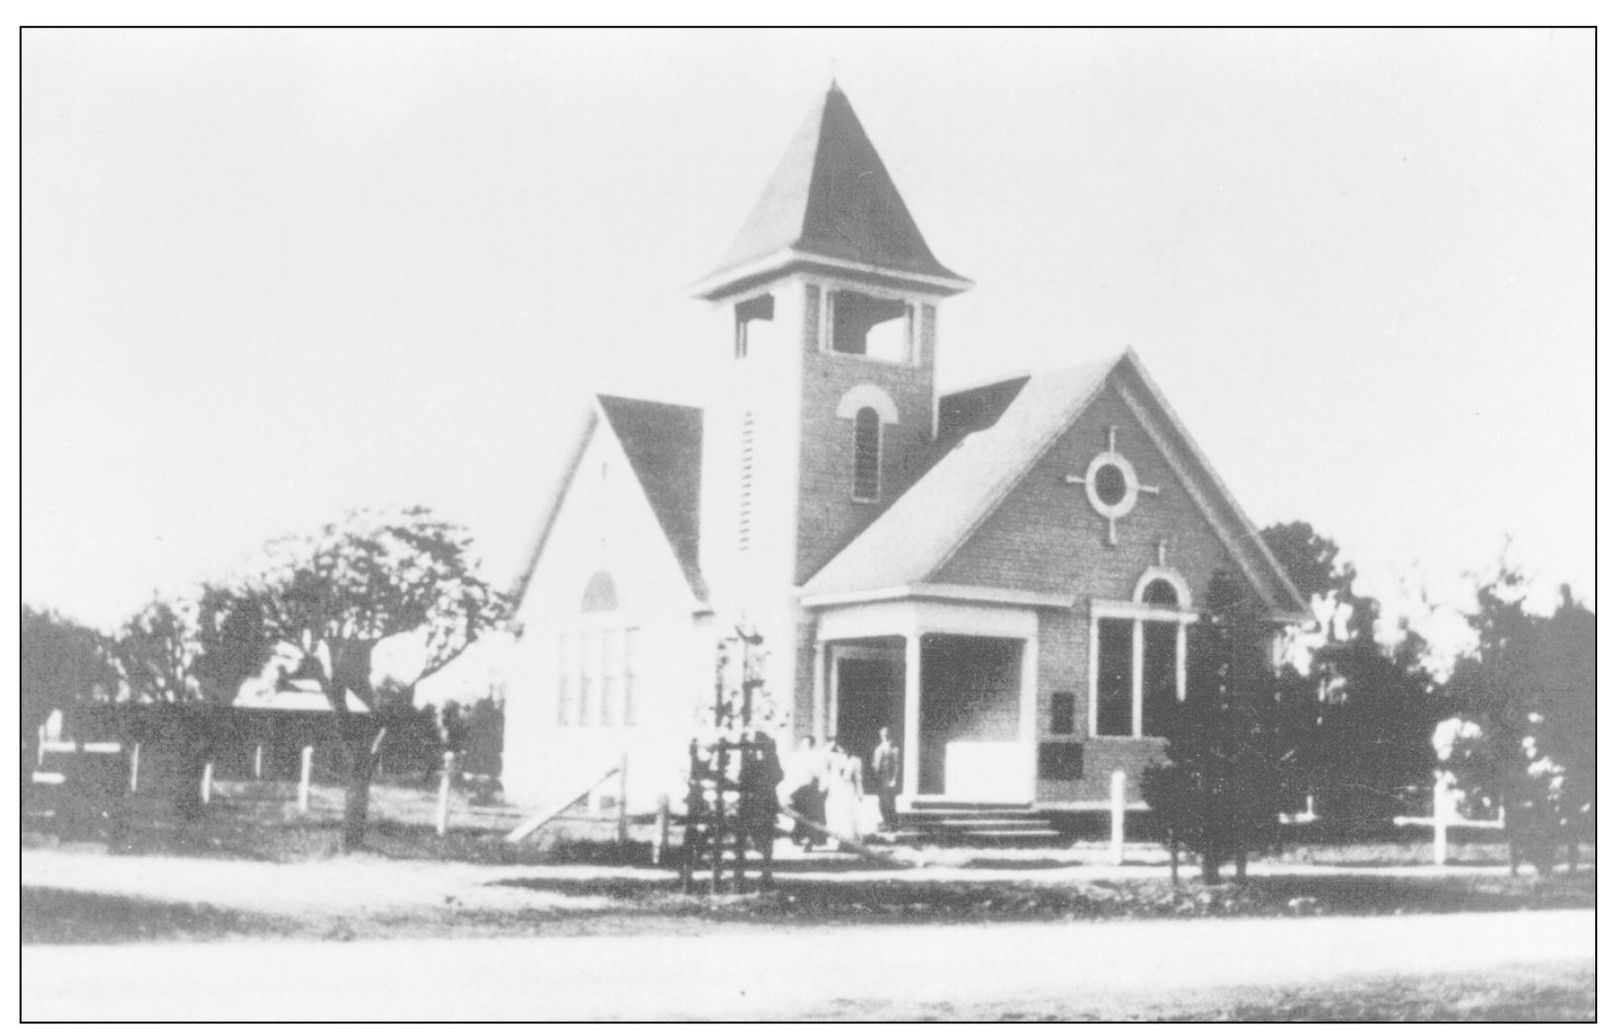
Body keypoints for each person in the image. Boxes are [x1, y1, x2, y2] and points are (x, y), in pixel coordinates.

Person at [738, 730, 785, 885]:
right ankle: (742, 872)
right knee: (749, 833)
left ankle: (766, 873)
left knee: (767, 836)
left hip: (766, 800)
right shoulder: (748, 758)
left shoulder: (772, 757)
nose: (758, 749)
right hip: (750, 801)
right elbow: (743, 777)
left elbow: (779, 775)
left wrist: (764, 780)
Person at [785, 736, 827, 849]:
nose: (805, 746)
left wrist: (822, 788)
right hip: (797, 790)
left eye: (808, 744)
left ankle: (811, 840)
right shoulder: (794, 757)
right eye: (803, 744)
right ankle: (797, 836)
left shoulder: (817, 757)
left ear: (812, 745)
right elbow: (789, 774)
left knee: (812, 816)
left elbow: (822, 773)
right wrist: (788, 790)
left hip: (811, 789)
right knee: (799, 814)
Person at [823, 741, 868, 847]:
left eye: (845, 747)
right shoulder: (834, 758)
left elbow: (858, 777)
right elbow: (823, 754)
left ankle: (848, 839)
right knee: (836, 814)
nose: (843, 750)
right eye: (840, 747)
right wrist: (831, 743)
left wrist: (860, 792)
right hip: (836, 789)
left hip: (848, 789)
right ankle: (837, 838)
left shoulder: (856, 760)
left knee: (848, 813)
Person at [872, 727, 900, 832]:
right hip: (880, 778)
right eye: (882, 734)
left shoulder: (893, 748)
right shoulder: (879, 747)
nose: (884, 736)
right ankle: (885, 822)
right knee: (882, 802)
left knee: (889, 802)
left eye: (886, 734)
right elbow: (876, 763)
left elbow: (897, 765)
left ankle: (892, 824)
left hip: (888, 777)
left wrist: (894, 779)